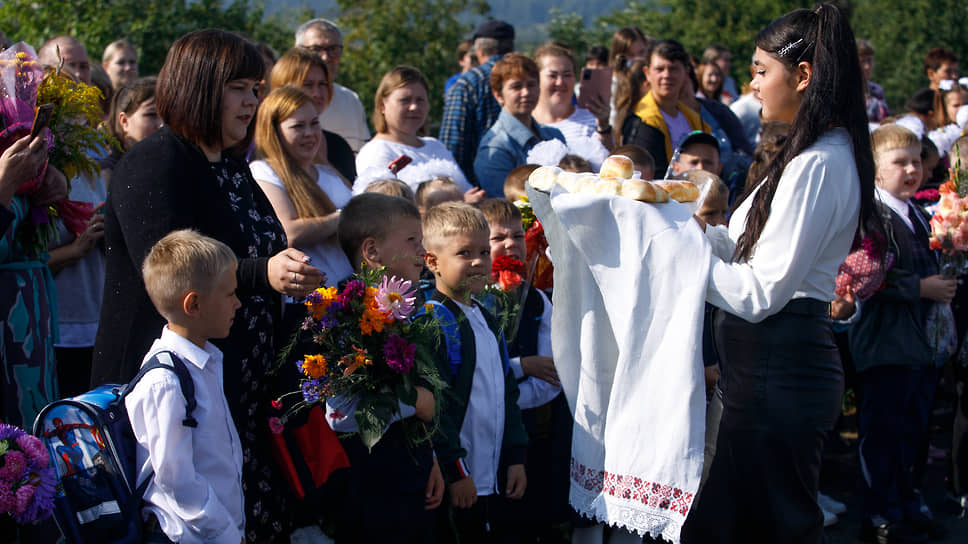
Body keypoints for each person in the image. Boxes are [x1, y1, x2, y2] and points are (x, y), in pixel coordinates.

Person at [91, 29, 323, 542]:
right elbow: (172, 271)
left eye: (255, 87)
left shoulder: (231, 165)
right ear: (199, 86)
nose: (252, 101)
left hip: (240, 391)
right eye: (238, 87)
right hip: (177, 392)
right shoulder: (156, 162)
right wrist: (264, 273)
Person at [681, 4, 879, 542]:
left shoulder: (818, 162)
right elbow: (742, 251)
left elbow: (761, 291)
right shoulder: (809, 152)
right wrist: (678, 227)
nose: (753, 83)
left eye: (761, 70)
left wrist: (681, 257)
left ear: (804, 75)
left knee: (768, 528)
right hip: (763, 373)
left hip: (779, 369)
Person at [847, 124, 950, 544]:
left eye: (916, 161)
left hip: (919, 344)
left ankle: (909, 501)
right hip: (885, 342)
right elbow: (861, 276)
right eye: (899, 162)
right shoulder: (872, 215)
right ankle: (879, 513)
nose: (911, 170)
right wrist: (919, 287)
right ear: (874, 169)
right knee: (882, 431)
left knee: (913, 429)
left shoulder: (919, 212)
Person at [330, 193, 444, 543]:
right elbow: (341, 414)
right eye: (412, 240)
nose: (421, 251)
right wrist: (418, 403)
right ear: (372, 251)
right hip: (370, 487)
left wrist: (431, 456)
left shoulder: (403, 311)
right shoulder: (341, 315)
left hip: (411, 475)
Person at [419, 202, 528, 542]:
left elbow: (507, 394)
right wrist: (455, 471)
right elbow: (436, 408)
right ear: (433, 262)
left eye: (484, 251)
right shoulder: (433, 321)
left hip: (492, 473)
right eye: (464, 253)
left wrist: (515, 456)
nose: (480, 261)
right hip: (461, 478)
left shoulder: (488, 319)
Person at [128, 229, 245, 544]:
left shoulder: (203, 362)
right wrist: (224, 533)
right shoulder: (166, 381)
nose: (238, 303)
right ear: (193, 305)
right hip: (188, 536)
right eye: (229, 294)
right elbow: (176, 478)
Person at [477, 198, 568, 542]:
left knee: (528, 514)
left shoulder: (536, 299)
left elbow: (550, 375)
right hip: (483, 430)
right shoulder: (471, 300)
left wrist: (511, 399)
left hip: (527, 426)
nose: (510, 244)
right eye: (498, 238)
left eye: (517, 235)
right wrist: (521, 367)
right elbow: (477, 375)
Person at [250, 86, 354, 288]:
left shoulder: (328, 172)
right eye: (298, 126)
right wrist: (344, 218)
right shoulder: (263, 171)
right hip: (309, 302)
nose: (310, 133)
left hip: (350, 291)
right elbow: (288, 232)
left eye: (314, 124)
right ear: (274, 131)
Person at [355, 66, 473, 194]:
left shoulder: (436, 145)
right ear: (383, 105)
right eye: (405, 100)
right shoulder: (376, 151)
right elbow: (385, 205)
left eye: (420, 100)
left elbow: (466, 189)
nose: (414, 107)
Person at [474, 53, 566, 197]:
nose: (526, 92)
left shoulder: (554, 135)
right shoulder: (496, 148)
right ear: (498, 94)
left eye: (531, 84)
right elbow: (506, 207)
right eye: (516, 87)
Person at [439, 20, 516, 187]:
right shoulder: (529, 79)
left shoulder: (468, 82)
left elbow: (452, 146)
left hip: (478, 190)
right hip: (522, 185)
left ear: (479, 50)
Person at [622, 40, 710, 178]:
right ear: (647, 72)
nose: (666, 75)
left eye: (673, 68)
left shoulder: (694, 119)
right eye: (659, 69)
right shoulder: (640, 122)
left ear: (686, 72)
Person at [270, 47, 357, 183]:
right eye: (307, 85)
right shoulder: (268, 149)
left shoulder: (338, 146)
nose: (317, 93)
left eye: (322, 84)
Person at [295, 19, 370, 153]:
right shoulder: (281, 101)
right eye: (316, 49)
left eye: (333, 49)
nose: (325, 57)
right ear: (297, 52)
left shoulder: (350, 100)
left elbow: (361, 154)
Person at [531, 43, 613, 159]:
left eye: (567, 75)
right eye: (552, 75)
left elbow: (608, 166)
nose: (560, 82)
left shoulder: (592, 121)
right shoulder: (527, 123)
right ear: (536, 78)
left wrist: (604, 127)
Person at [100, 76, 162, 184]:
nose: (162, 125)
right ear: (124, 121)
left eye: (168, 116)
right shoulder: (106, 175)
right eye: (151, 115)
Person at [857, 39, 889, 122]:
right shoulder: (845, 91)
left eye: (869, 60)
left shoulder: (877, 90)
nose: (867, 66)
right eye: (862, 61)